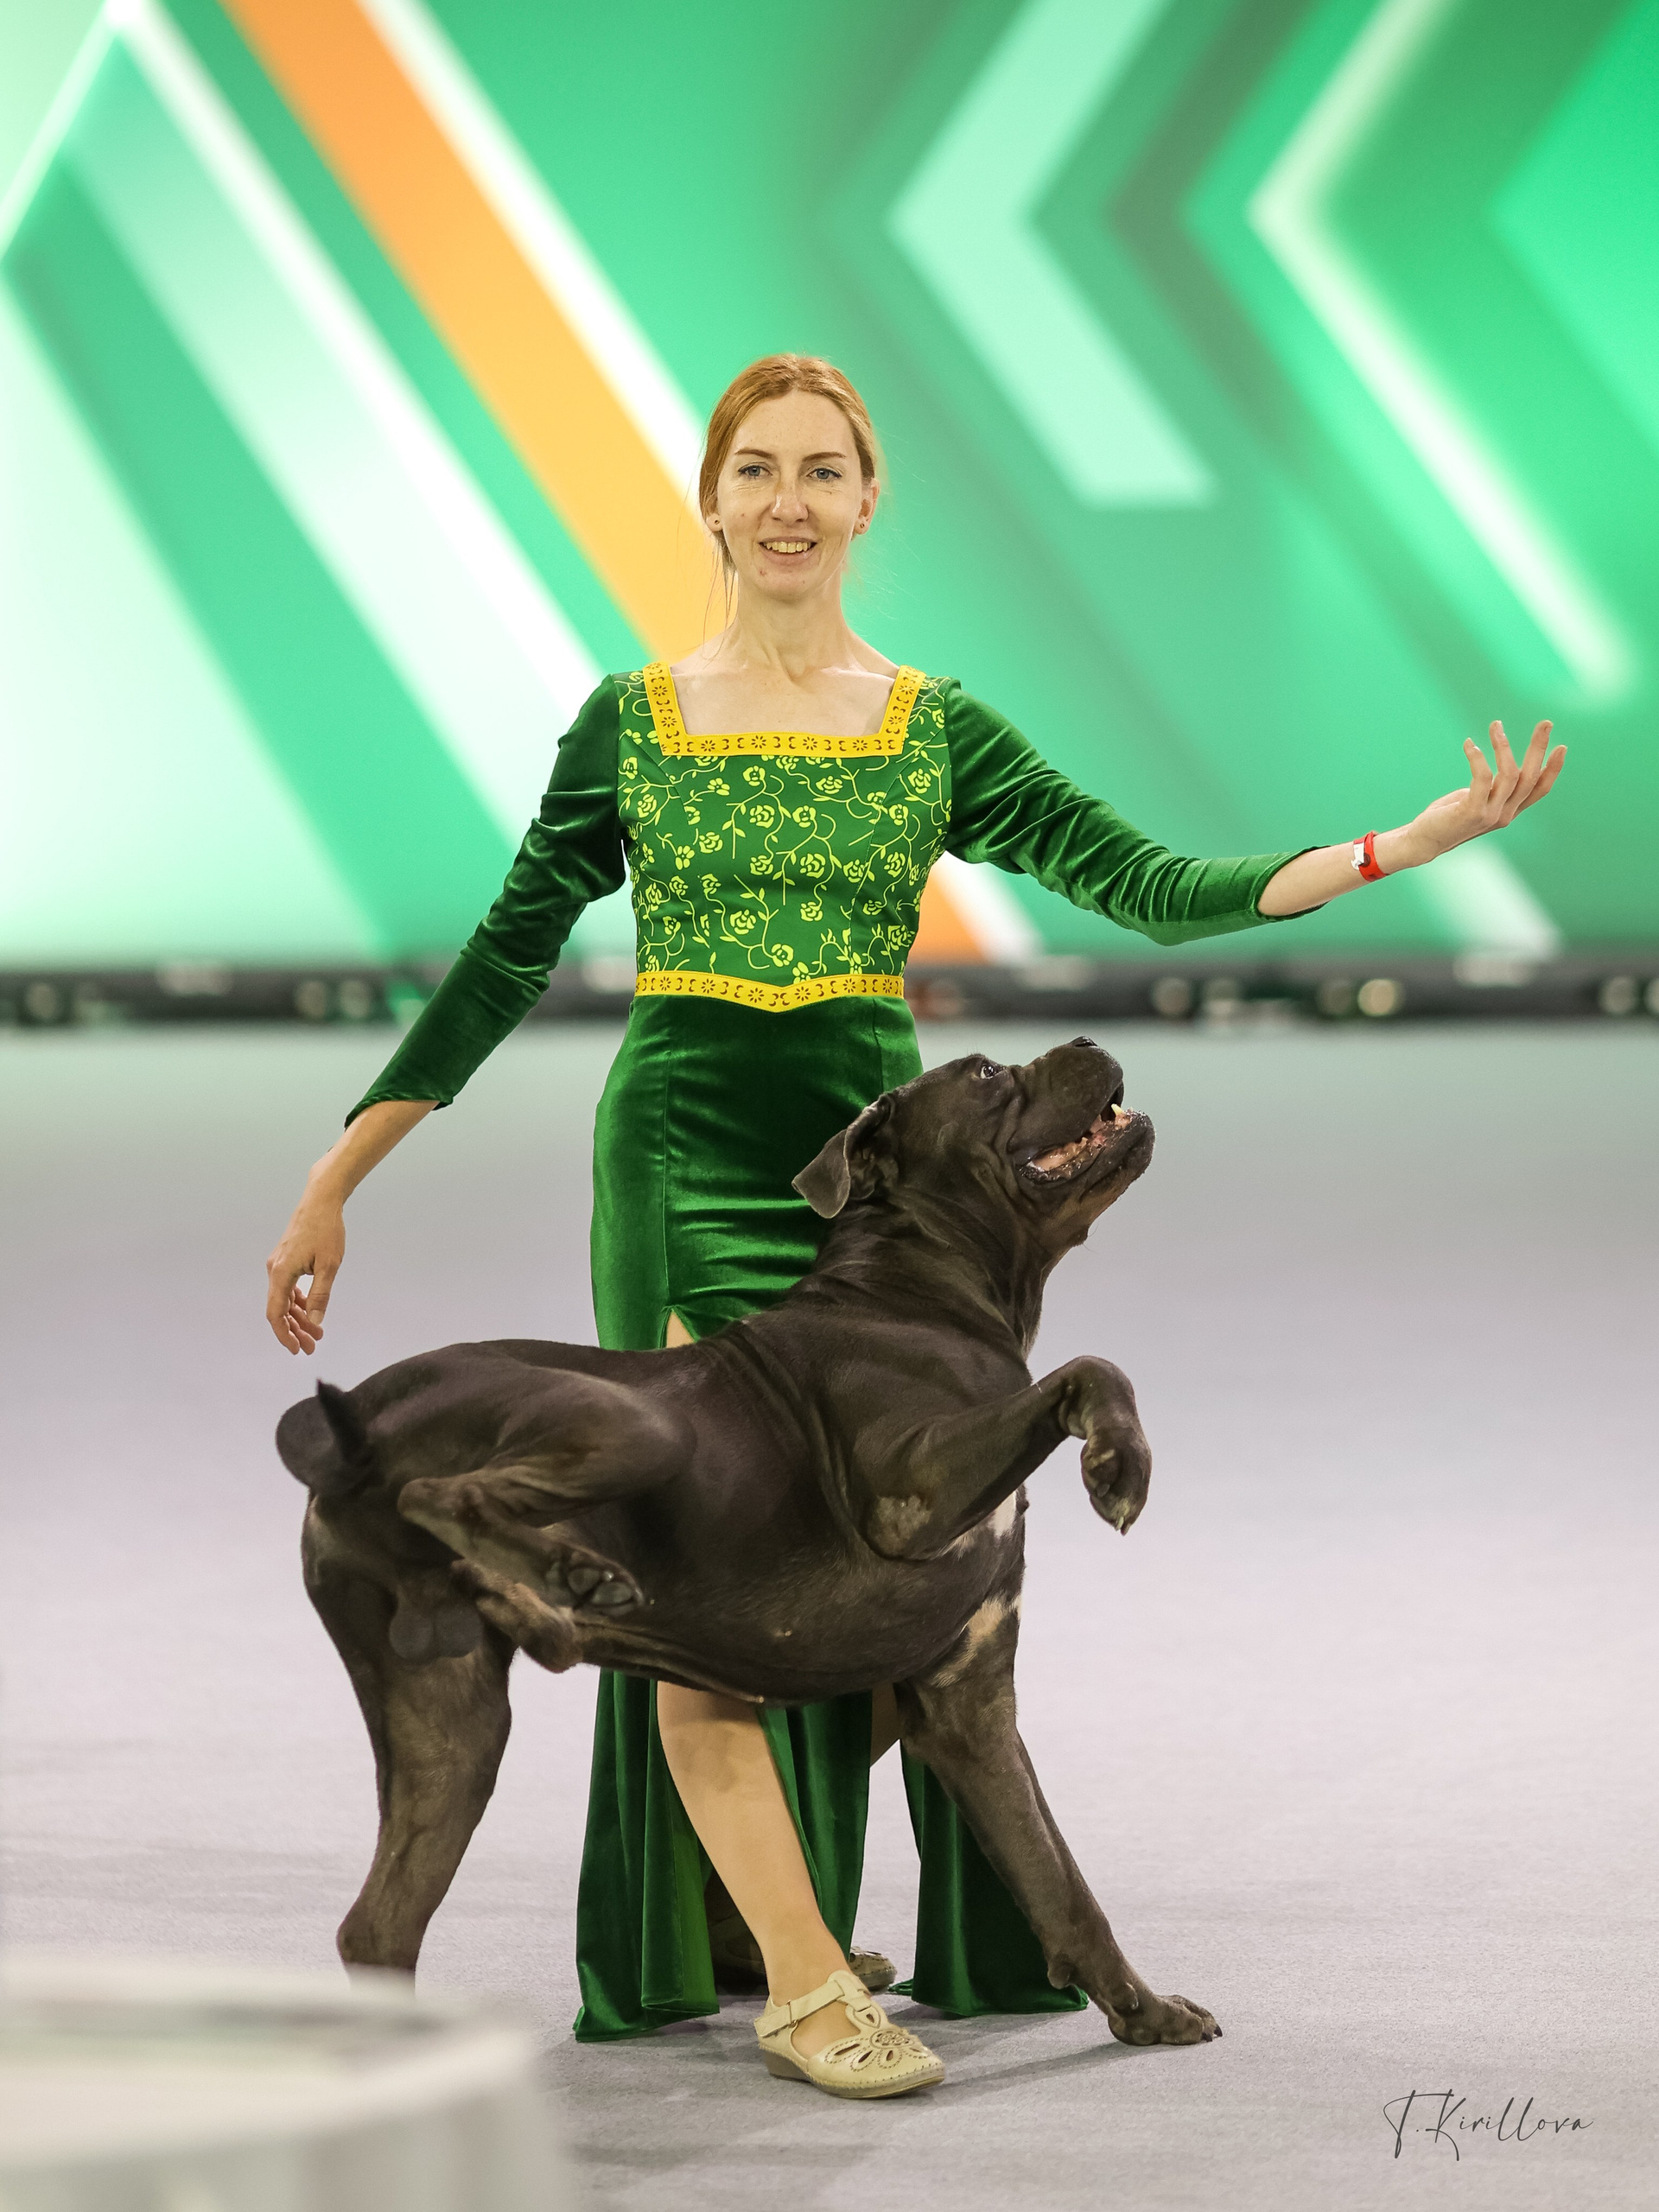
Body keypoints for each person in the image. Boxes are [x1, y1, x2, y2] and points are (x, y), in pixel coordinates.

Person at [265, 353, 1564, 2100]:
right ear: (711, 499)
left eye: (823, 469)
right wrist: (339, 1175)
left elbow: (1147, 883)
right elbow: (506, 956)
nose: (788, 502)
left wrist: (1401, 844)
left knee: (885, 1551)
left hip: (877, 1185)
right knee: (684, 1545)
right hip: (681, 1160)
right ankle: (801, 1978)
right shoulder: (629, 719)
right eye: (757, 470)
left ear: (868, 499)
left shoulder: (933, 723)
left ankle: (738, 1913)